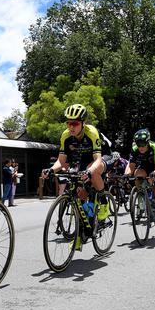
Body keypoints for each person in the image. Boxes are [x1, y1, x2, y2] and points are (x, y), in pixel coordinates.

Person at [42, 104, 108, 249]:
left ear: (83, 123)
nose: (71, 126)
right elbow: (61, 161)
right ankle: (82, 232)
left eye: (75, 123)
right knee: (80, 197)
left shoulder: (91, 132)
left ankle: (104, 202)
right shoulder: (66, 136)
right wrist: (51, 170)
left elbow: (97, 159)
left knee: (93, 169)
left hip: (99, 159)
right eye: (68, 123)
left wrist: (90, 172)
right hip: (80, 162)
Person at [124, 129, 155, 236]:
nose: (141, 147)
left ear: (148, 142)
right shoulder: (135, 149)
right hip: (144, 167)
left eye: (143, 144)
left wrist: (153, 174)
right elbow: (131, 167)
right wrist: (126, 174)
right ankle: (142, 196)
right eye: (139, 144)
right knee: (137, 175)